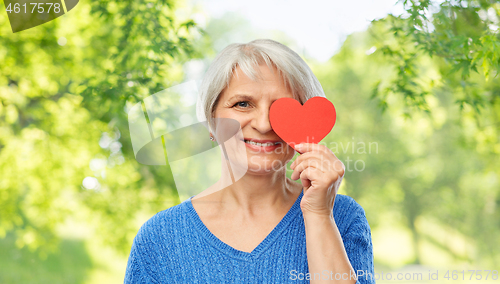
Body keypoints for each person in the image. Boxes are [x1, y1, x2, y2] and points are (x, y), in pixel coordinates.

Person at [124, 39, 375, 283]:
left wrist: (319, 216)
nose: (264, 124)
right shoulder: (159, 238)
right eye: (243, 104)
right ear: (211, 120)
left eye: (281, 107)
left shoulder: (343, 217)